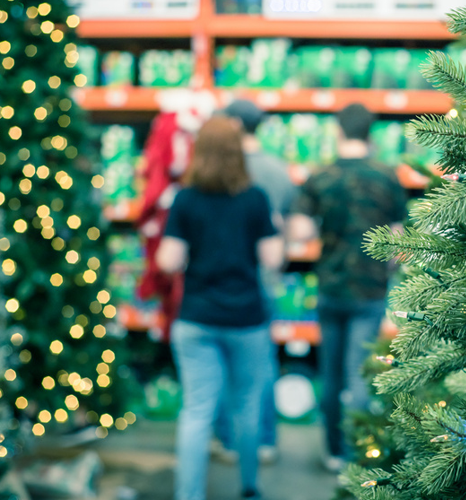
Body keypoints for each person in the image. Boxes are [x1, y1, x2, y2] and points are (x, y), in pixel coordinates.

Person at [156, 117, 283, 500]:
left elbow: (168, 260)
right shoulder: (255, 199)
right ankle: (249, 486)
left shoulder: (185, 199)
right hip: (246, 319)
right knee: (246, 409)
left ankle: (188, 494)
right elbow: (272, 258)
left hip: (196, 318)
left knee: (196, 412)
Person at [286, 103, 408, 472]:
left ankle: (333, 451)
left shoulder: (320, 176)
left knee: (331, 373)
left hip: (330, 287)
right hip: (369, 291)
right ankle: (355, 459)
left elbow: (299, 232)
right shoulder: (388, 177)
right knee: (358, 376)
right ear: (370, 133)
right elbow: (399, 242)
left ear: (338, 131)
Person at [210, 99, 297, 465]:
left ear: (232, 124)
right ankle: (264, 440)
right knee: (261, 362)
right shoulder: (279, 172)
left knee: (220, 362)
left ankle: (228, 440)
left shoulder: (219, 171)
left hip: (222, 280)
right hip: (265, 279)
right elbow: (290, 232)